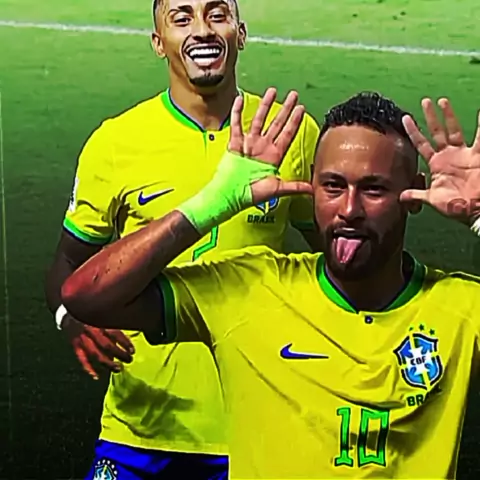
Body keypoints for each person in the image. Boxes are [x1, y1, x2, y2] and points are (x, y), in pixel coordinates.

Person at [61, 87, 480, 479]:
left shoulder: (460, 308)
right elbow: (85, 296)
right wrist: (212, 204)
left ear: (414, 194)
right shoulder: (250, 288)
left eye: (373, 189)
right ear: (311, 185)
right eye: (332, 186)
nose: (349, 209)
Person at [45, 0, 320, 478]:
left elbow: (339, 255)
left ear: (240, 33)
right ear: (159, 43)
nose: (202, 29)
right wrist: (70, 318)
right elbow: (68, 262)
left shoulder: (288, 134)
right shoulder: (116, 142)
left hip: (253, 425)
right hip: (139, 426)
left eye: (217, 14)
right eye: (182, 17)